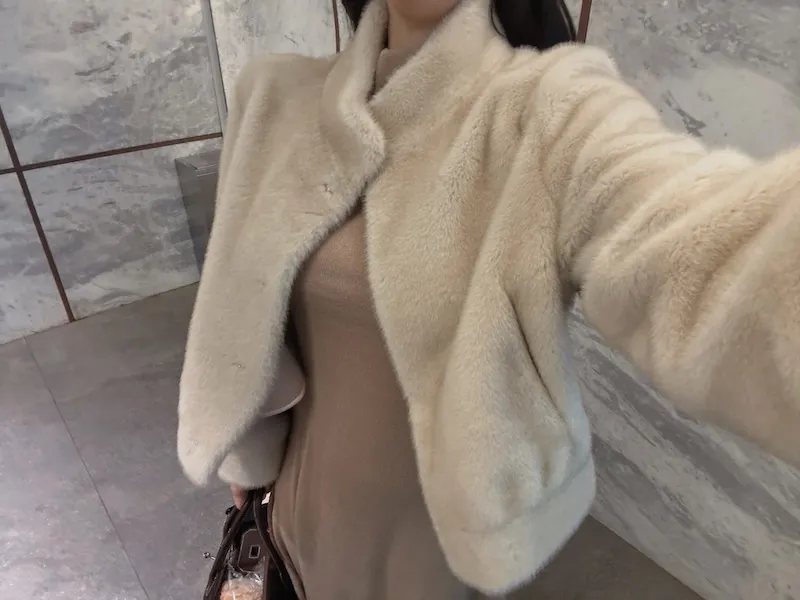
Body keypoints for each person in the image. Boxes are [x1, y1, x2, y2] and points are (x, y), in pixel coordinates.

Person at [177, 0, 800, 597]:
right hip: (301, 509)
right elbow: (247, 323)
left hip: (434, 550)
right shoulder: (274, 100)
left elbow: (709, 254)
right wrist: (249, 458)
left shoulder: (549, 112)